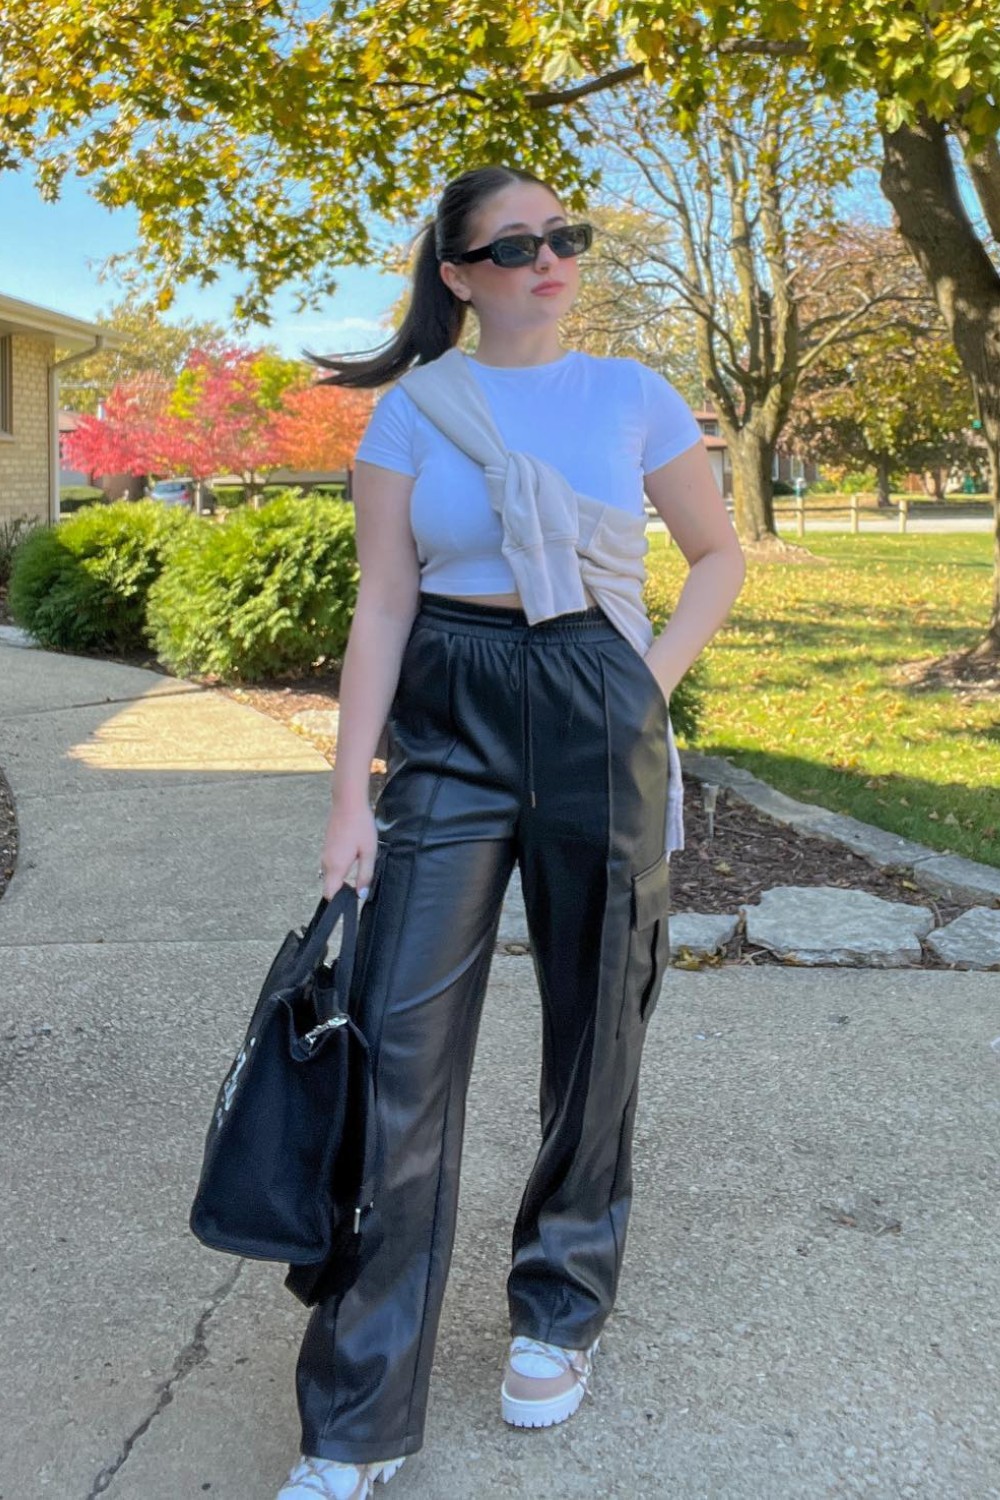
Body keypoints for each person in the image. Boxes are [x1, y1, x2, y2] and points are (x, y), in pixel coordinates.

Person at [276, 163, 745, 1500]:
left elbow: (716, 555)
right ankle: (356, 1414)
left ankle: (558, 1305)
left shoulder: (632, 396)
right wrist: (348, 795)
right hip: (451, 721)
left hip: (594, 696)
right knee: (398, 1053)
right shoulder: (415, 413)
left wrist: (636, 691)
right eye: (518, 244)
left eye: (566, 237)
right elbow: (382, 606)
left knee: (599, 1024)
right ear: (460, 275)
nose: (552, 258)